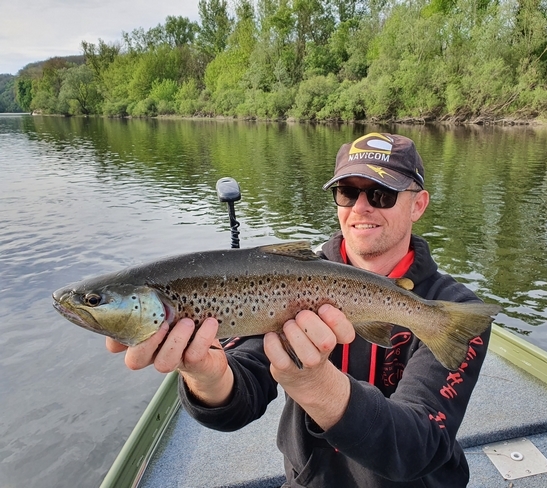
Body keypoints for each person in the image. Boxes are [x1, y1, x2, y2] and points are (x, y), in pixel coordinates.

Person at [107, 132, 491, 487]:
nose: (361, 207)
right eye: (347, 192)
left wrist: (317, 386)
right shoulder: (284, 279)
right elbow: (243, 390)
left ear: (417, 205)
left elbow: (419, 446)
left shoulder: (453, 312)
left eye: (381, 195)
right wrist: (206, 378)